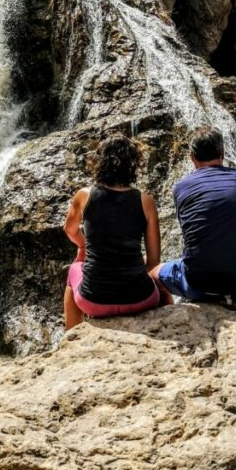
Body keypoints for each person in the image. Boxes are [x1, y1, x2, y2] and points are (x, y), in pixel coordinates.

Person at [150, 127, 236, 303]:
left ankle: (170, 318)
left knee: (153, 275)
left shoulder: (181, 188)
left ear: (192, 157)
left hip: (200, 286)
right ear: (223, 153)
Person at [63, 134, 163, 330]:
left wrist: (83, 245)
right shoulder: (146, 201)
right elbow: (153, 261)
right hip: (140, 299)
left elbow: (69, 230)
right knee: (162, 285)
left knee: (73, 272)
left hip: (93, 301)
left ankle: (71, 336)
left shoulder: (84, 196)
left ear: (100, 162)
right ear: (133, 164)